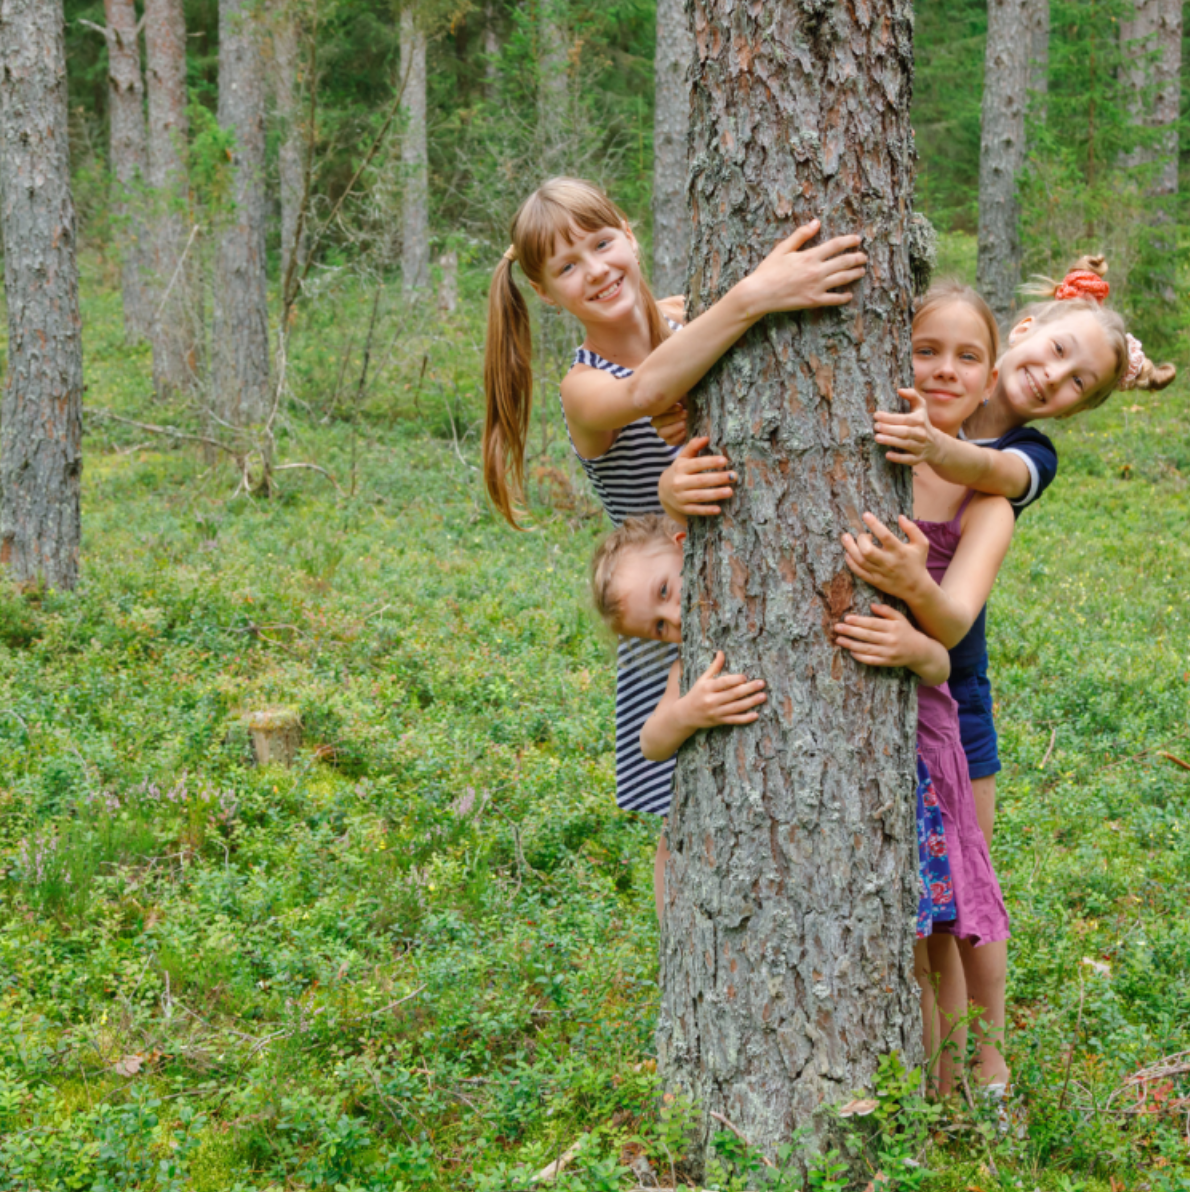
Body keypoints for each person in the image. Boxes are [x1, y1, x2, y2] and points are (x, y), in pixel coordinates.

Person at [481, 176, 867, 854]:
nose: (594, 270)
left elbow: (674, 361)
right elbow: (648, 389)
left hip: (739, 585)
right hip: (659, 611)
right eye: (567, 268)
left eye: (602, 244)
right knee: (683, 821)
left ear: (629, 234)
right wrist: (755, 293)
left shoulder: (691, 323)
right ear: (543, 293)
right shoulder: (583, 387)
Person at [589, 514, 961, 1042]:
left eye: (666, 590)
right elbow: (651, 741)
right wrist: (689, 711)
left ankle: (940, 1083)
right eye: (659, 628)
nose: (675, 618)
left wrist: (915, 649)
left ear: (686, 546)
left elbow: (941, 666)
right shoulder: (693, 667)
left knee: (910, 955)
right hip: (801, 842)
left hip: (881, 812)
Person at [870, 265, 1175, 846]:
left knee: (968, 854)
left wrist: (933, 444)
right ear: (1024, 329)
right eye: (1058, 350)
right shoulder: (939, 380)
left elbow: (991, 470)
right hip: (879, 648)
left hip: (955, 670)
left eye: (1078, 382)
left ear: (1073, 411)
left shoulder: (1031, 454)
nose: (1054, 376)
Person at [834, 287, 1016, 1093]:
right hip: (869, 706)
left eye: (966, 357)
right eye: (925, 349)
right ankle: (936, 1082)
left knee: (966, 898)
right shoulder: (856, 452)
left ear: (989, 382)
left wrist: (914, 591)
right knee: (918, 917)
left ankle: (987, 1067)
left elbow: (954, 618)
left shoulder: (989, 498)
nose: (944, 369)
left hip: (954, 711)